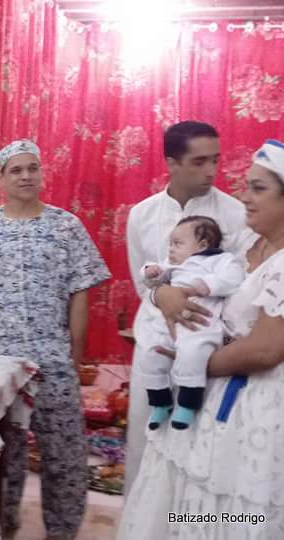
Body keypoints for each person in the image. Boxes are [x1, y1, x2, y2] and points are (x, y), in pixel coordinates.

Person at [117, 139, 284, 539]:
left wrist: (191, 363)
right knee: (185, 504)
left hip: (256, 405)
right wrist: (162, 294)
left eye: (259, 189)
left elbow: (265, 349)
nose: (246, 197)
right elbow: (165, 282)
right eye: (247, 186)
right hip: (211, 389)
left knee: (236, 510)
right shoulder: (254, 245)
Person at [0, 140, 111, 540]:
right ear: (1, 178)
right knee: (3, 453)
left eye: (33, 168)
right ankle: (5, 525)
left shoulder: (66, 227)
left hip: (53, 359)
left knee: (64, 453)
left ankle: (61, 530)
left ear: (42, 173)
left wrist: (74, 357)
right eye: (16, 170)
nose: (26, 176)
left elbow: (79, 295)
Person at [124, 121, 256, 492]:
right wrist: (161, 295)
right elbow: (142, 282)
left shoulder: (235, 213)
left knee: (198, 448)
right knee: (145, 439)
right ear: (172, 163)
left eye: (215, 159)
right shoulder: (142, 214)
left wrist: (192, 299)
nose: (211, 171)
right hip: (154, 339)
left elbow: (241, 283)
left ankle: (190, 522)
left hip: (206, 341)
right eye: (199, 162)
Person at [139, 216, 244, 430]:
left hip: (200, 323)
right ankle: (160, 401)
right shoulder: (173, 264)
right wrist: (149, 271)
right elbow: (152, 282)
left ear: (202, 245)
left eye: (177, 243)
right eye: (170, 243)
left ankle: (187, 405)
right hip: (169, 322)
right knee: (151, 352)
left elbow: (234, 278)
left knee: (192, 353)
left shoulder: (222, 260)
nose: (171, 249)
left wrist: (208, 285)